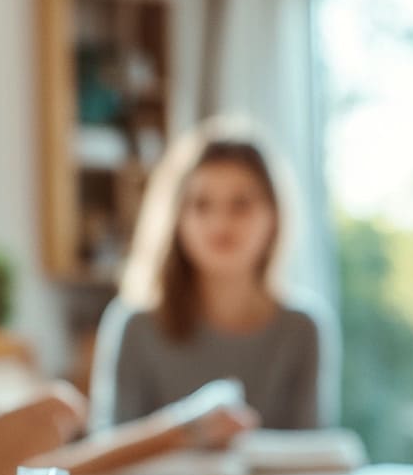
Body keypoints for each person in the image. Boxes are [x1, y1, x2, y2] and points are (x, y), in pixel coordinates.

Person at [89, 122, 334, 433]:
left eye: (241, 204)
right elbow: (109, 452)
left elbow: (310, 451)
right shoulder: (134, 326)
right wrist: (189, 432)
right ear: (177, 219)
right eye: (201, 205)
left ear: (274, 216)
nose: (220, 223)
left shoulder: (303, 328)